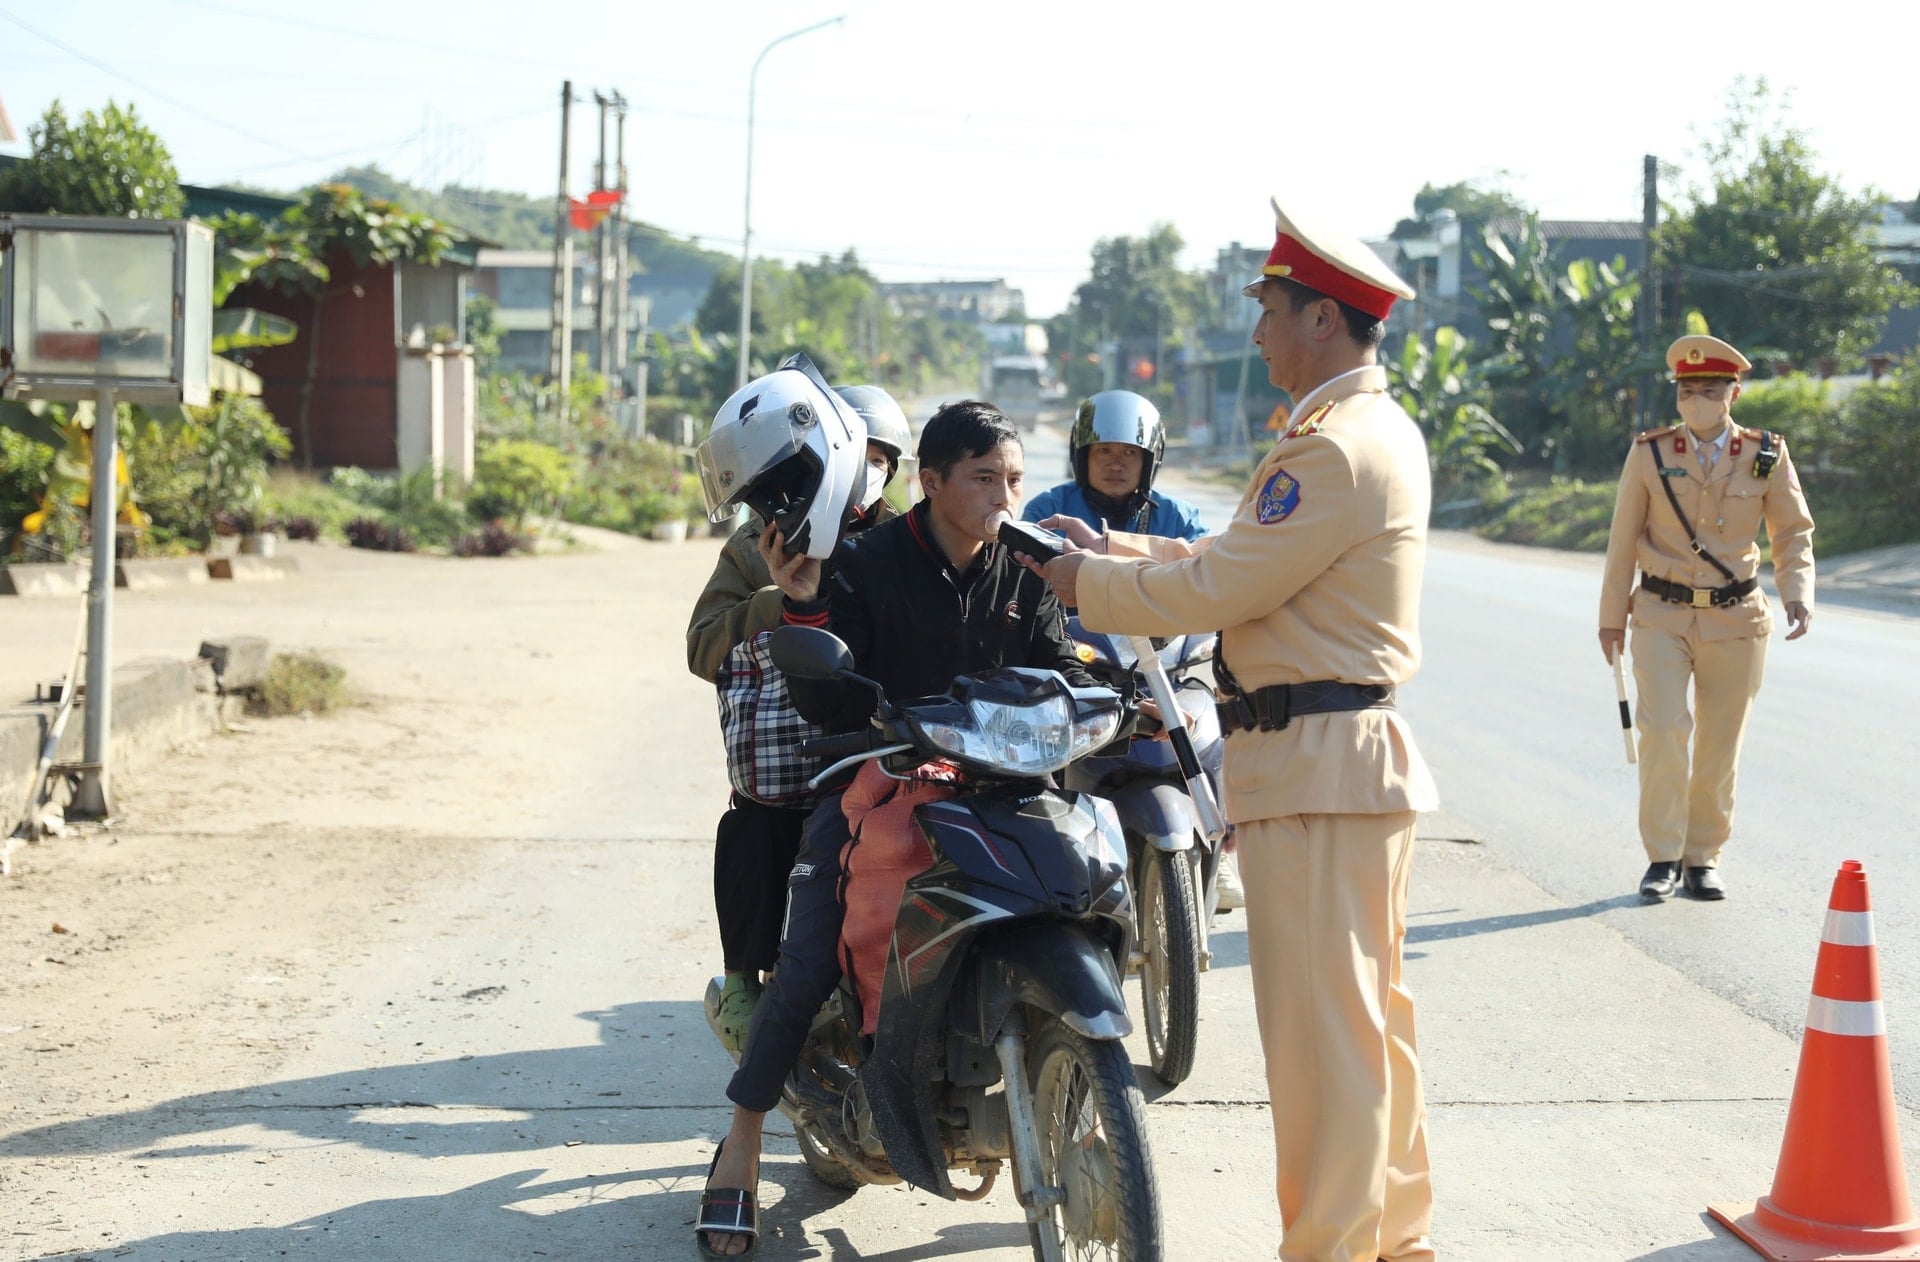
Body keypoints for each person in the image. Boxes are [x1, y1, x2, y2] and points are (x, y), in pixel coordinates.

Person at [1019, 195, 1438, 1262]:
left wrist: (1083, 577)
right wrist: (1111, 542)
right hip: (1341, 764)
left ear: (1322, 322)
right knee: (1369, 1025)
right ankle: (1391, 1238)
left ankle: (1335, 1249)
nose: (1255, 335)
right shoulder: (1360, 432)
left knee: (1320, 1046)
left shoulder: (1330, 451)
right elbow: (1250, 566)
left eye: (1270, 310)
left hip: (1316, 769)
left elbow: (1222, 580)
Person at [695, 400, 1099, 1259]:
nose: (1004, 496)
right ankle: (739, 1146)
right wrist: (801, 608)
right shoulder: (868, 561)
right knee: (808, 957)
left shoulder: (1027, 566)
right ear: (934, 480)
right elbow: (823, 694)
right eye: (986, 478)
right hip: (873, 784)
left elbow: (1061, 660)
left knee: (1080, 890)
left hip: (998, 788)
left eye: (1015, 479)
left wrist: (1095, 693)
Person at [687, 370, 911, 1057]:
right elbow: (702, 646)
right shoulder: (757, 542)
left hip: (890, 741)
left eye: (881, 459)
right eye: (859, 452)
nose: (867, 469)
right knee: (754, 828)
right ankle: (744, 985)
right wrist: (774, 601)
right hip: (793, 754)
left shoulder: (907, 540)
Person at [1597, 334, 1815, 902]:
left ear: (1732, 394)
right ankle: (1663, 857)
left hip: (1737, 616)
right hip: (1661, 613)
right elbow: (1622, 541)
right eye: (1688, 390)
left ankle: (1702, 857)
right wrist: (1610, 619)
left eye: (1710, 390)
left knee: (1720, 743)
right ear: (1677, 397)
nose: (1698, 399)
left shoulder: (1767, 453)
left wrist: (1797, 590)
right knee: (1665, 730)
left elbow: (1792, 533)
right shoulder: (1651, 453)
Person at [1022, 389, 1207, 541]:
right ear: (1083, 457)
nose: (1116, 465)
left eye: (1129, 453)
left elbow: (1202, 577)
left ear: (1148, 462)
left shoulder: (1179, 520)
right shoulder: (1047, 511)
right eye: (1104, 451)